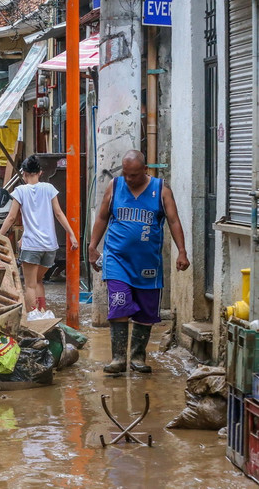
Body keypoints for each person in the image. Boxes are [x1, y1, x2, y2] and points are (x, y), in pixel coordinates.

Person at [88, 150, 189, 374]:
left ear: (145, 170)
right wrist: (93, 246)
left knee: (146, 312)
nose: (129, 179)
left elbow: (173, 221)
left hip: (147, 264)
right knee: (119, 302)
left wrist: (182, 251)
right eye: (126, 174)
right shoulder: (115, 186)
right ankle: (118, 358)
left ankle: (137, 357)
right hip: (117, 259)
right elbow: (103, 217)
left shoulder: (161, 189)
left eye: (133, 175)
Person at [0, 155, 78, 316]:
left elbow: (12, 218)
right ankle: (42, 313)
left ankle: (33, 317)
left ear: (24, 173)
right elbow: (59, 213)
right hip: (49, 246)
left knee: (29, 285)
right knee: (39, 280)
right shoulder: (49, 189)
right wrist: (72, 235)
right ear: (40, 172)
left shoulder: (20, 191)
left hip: (31, 245)